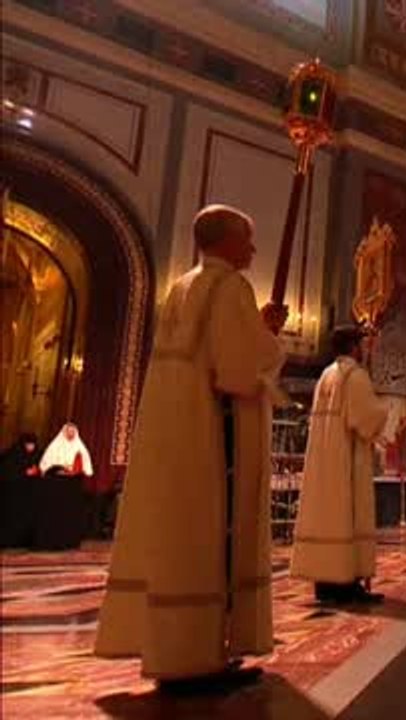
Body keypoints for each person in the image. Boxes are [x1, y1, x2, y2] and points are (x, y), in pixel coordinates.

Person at [95, 204, 285, 690]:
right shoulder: (229, 287)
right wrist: (269, 339)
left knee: (178, 543)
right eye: (248, 238)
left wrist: (257, 331)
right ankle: (198, 659)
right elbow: (237, 371)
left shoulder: (182, 286)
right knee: (208, 538)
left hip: (175, 435)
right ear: (226, 241)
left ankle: (176, 651)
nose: (254, 249)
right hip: (210, 439)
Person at [291, 327, 390, 604]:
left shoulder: (327, 374)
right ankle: (346, 583)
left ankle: (325, 583)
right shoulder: (354, 375)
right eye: (362, 343)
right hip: (346, 457)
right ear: (353, 346)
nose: (365, 348)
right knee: (347, 513)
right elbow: (364, 418)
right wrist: (383, 409)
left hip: (325, 456)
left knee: (327, 516)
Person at [36, 423, 94, 549]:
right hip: (55, 486)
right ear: (64, 432)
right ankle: (51, 540)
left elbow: (86, 467)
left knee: (68, 515)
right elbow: (46, 464)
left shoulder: (80, 447)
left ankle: (68, 540)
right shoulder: (55, 446)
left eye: (73, 431)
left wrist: (74, 470)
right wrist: (59, 469)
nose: (71, 433)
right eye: (69, 431)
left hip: (71, 487)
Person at [0, 432, 41, 547]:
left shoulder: (37, 454)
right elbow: (6, 473)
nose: (30, 447)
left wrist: (36, 471)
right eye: (28, 444)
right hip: (13, 494)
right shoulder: (12, 455)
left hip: (29, 495)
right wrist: (24, 473)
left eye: (33, 444)